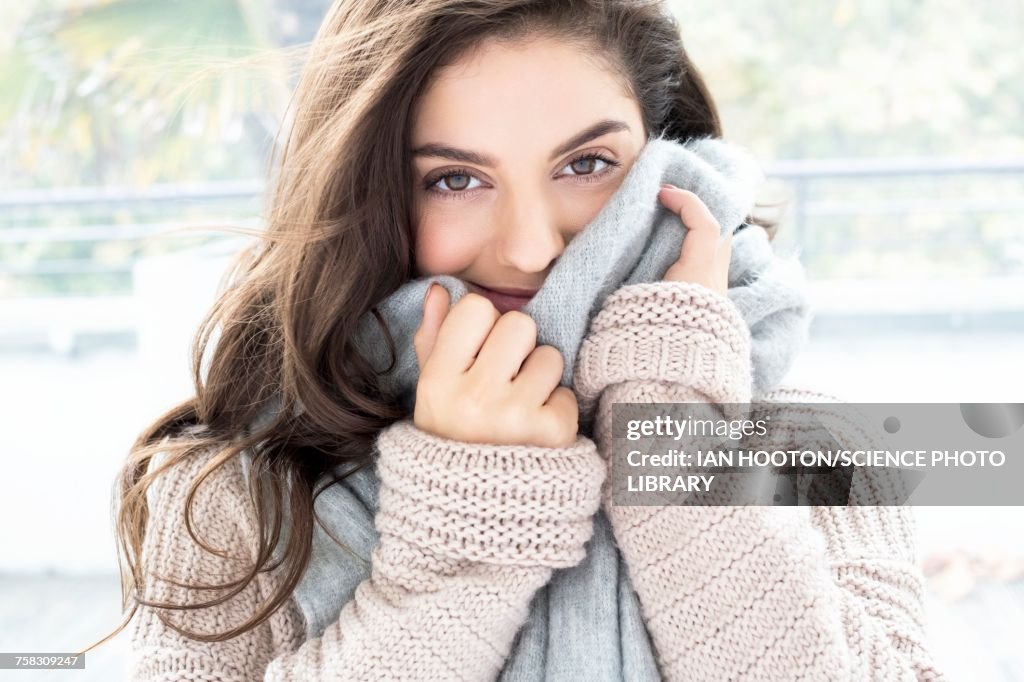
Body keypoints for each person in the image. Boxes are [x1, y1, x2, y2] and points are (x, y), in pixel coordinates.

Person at [88, 0, 948, 679]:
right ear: (369, 192)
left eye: (585, 165)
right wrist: (468, 531)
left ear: (666, 160)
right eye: (454, 179)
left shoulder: (819, 444)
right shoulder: (233, 489)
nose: (534, 247)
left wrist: (674, 428)